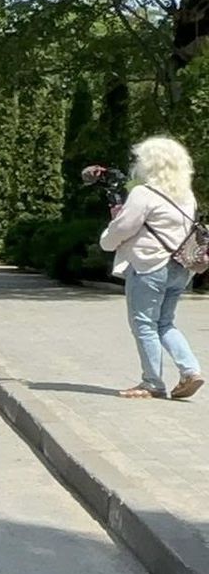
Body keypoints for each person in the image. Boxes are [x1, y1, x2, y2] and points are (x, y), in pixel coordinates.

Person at [100, 136, 203, 400]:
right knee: (165, 322)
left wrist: (106, 240)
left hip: (149, 266)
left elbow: (123, 228)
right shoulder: (186, 196)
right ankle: (191, 370)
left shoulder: (143, 193)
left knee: (144, 324)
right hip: (180, 268)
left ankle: (152, 383)